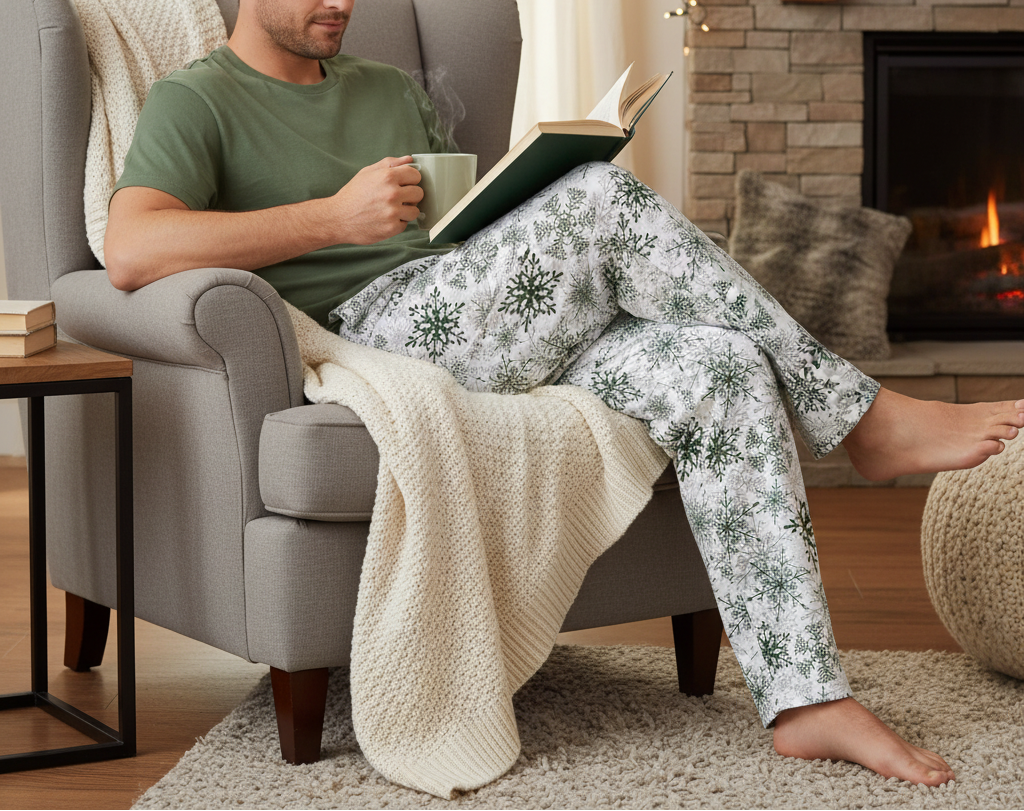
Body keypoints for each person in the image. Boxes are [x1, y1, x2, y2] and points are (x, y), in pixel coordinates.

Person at [104, 0, 1024, 788]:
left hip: (487, 313)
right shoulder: (199, 98)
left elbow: (463, 232)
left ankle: (806, 695)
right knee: (604, 200)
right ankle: (864, 417)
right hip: (371, 331)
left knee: (718, 366)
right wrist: (333, 218)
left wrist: (523, 187)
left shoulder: (386, 87)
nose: (342, 1)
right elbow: (132, 249)